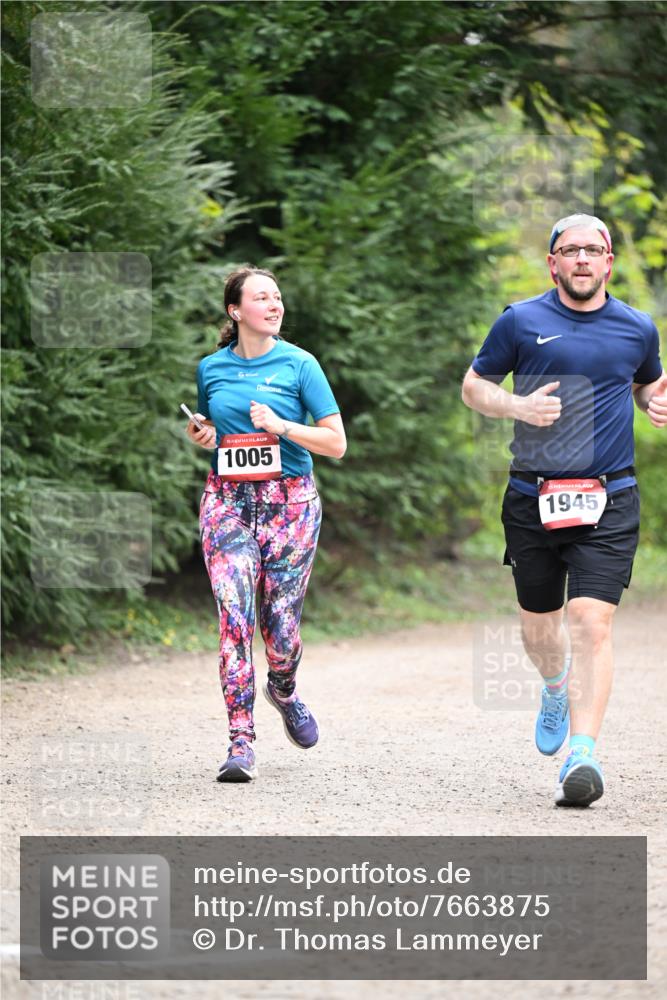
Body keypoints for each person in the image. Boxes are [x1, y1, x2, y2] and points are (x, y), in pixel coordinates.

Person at [462, 213, 666, 807]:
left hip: (610, 496)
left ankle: (583, 754)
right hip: (533, 496)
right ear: (552, 263)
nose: (581, 259)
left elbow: (648, 383)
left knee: (592, 623)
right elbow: (475, 386)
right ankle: (554, 685)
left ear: (608, 261)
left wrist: (656, 401)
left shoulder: (637, 327)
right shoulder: (521, 320)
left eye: (592, 250)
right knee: (539, 627)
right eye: (569, 250)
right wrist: (515, 406)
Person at [186, 265, 346, 782]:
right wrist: (205, 434)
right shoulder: (211, 368)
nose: (275, 305)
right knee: (234, 619)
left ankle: (284, 688)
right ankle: (240, 742)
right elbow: (216, 425)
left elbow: (336, 444)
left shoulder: (302, 365)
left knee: (281, 630)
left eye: (278, 296)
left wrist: (283, 427)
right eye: (262, 297)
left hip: (290, 504)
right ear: (236, 311)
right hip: (227, 501)